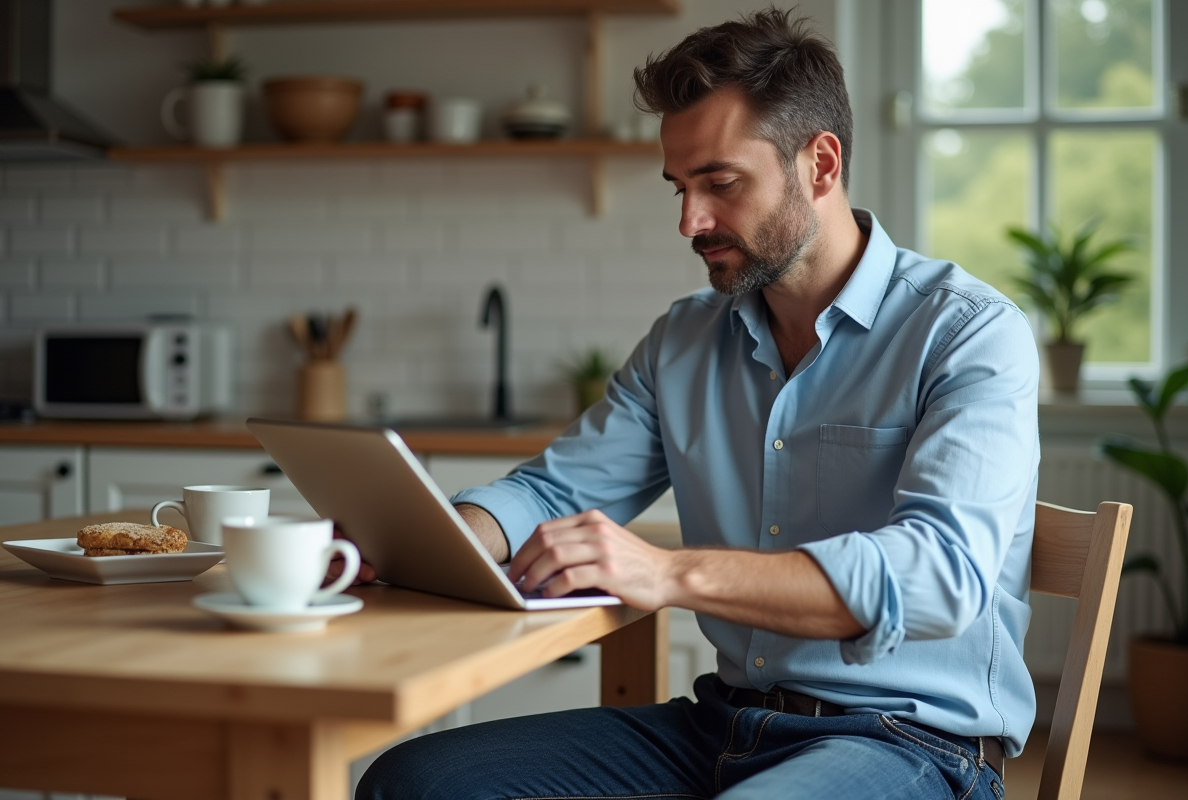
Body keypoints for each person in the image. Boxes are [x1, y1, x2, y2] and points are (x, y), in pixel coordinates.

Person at [357, 8, 1039, 799]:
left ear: (820, 164)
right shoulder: (684, 339)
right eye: (680, 187)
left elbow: (940, 575)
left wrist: (673, 573)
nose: (691, 221)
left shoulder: (968, 333)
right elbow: (551, 491)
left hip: (911, 742)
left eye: (721, 183)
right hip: (720, 726)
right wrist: (430, 537)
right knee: (415, 781)